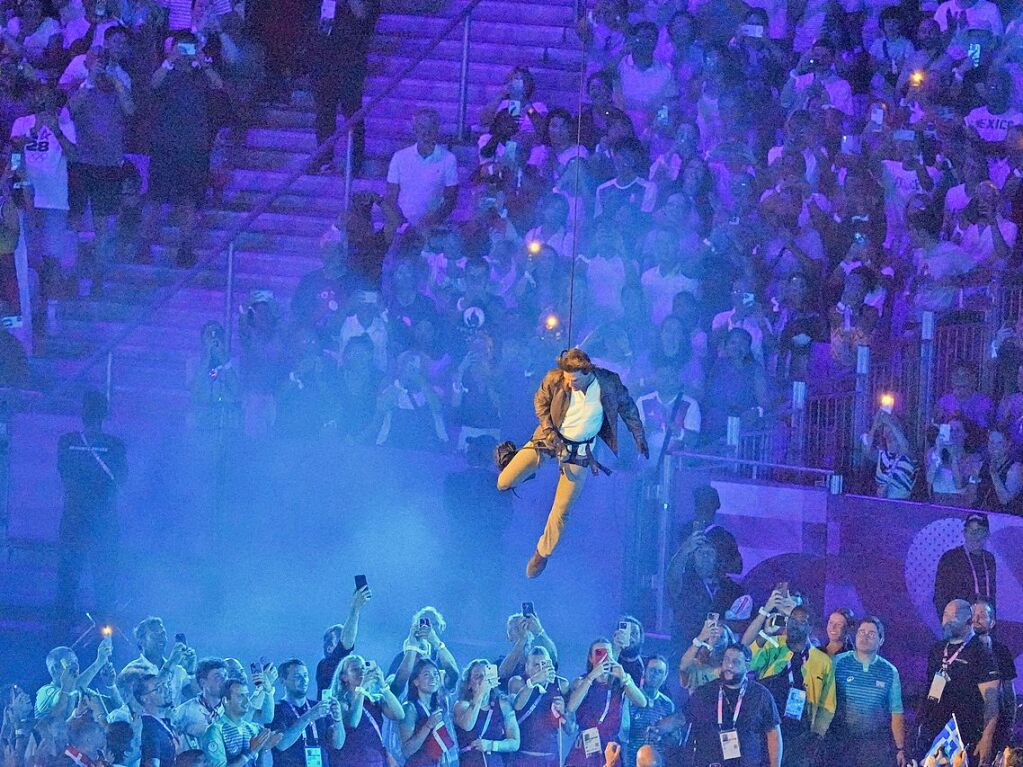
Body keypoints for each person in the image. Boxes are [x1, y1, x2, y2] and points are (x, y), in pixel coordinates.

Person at [495, 348, 648, 578]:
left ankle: (541, 553)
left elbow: (628, 409)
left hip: (579, 452)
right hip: (549, 439)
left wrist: (638, 436)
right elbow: (540, 402)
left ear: (587, 373)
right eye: (567, 378)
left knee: (562, 508)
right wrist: (550, 433)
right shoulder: (556, 378)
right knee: (503, 482)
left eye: (574, 379)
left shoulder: (607, 384)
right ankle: (522, 465)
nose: (570, 383)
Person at [141, 31, 224, 267]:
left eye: (189, 48)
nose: (185, 53)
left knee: (189, 200)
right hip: (165, 147)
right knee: (155, 198)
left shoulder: (202, 74)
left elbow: (219, 85)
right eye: (181, 48)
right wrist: (170, 60)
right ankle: (144, 244)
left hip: (195, 148)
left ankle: (185, 248)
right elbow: (153, 84)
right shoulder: (166, 73)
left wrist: (202, 59)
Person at [55, 389, 126, 624]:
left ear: (82, 413)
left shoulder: (67, 442)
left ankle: (59, 639)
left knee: (67, 582)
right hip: (104, 524)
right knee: (105, 584)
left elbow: (65, 476)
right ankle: (105, 637)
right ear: (104, 414)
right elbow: (120, 481)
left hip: (73, 521)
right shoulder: (115, 446)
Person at [746, 603, 836, 767]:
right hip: (767, 727)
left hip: (799, 732)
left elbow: (827, 705)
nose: (793, 625)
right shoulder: (774, 645)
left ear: (810, 628)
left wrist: (817, 736)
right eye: (792, 620)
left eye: (800, 621)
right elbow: (748, 663)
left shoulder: (822, 661)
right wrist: (765, 634)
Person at [915, 599, 1000, 766]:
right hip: (934, 732)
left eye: (951, 617)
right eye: (945, 615)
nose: (945, 621)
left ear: (968, 619)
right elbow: (930, 691)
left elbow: (991, 701)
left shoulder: (981, 651)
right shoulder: (937, 649)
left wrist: (986, 738)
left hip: (966, 733)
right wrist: (919, 727)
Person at [826, 617, 906, 767]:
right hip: (841, 742)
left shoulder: (889, 671)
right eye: (861, 632)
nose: (864, 636)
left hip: (874, 745)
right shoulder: (837, 662)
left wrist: (900, 748)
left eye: (871, 634)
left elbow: (896, 712)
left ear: (881, 640)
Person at [686, 643, 782, 767]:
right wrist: (661, 727)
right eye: (726, 660)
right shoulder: (706, 691)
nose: (729, 666)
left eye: (735, 662)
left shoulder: (760, 695)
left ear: (747, 665)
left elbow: (773, 733)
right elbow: (684, 717)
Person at [565, 639, 647, 767]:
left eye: (607, 653)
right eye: (599, 653)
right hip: (586, 745)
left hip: (609, 745)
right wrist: (592, 677)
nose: (604, 657)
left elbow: (642, 702)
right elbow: (571, 707)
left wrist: (624, 677)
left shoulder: (619, 682)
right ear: (591, 658)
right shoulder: (581, 681)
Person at [384, 109, 458, 233]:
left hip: (433, 228)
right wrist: (403, 224)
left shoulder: (449, 159)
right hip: (401, 227)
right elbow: (391, 197)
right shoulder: (399, 157)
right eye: (422, 127)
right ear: (414, 129)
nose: (426, 132)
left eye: (431, 127)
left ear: (437, 130)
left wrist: (429, 222)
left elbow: (450, 200)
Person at [329, 655, 404, 767]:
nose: (361, 672)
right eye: (355, 669)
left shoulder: (373, 700)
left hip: (375, 760)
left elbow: (399, 714)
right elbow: (352, 722)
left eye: (363, 668)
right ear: (344, 677)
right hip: (352, 760)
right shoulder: (340, 702)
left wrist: (383, 685)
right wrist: (361, 690)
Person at [270, 659, 343, 767]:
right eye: (297, 676)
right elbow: (281, 744)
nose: (304, 680)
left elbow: (338, 744)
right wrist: (309, 717)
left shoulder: (318, 706)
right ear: (282, 680)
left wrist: (338, 720)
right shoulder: (276, 710)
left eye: (305, 675)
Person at [507, 646, 569, 767]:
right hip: (523, 756)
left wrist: (564, 711)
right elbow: (517, 706)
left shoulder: (560, 684)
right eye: (535, 665)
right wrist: (534, 681)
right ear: (526, 666)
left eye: (543, 664)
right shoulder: (517, 682)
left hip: (550, 757)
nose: (540, 668)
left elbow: (571, 728)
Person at [972, 599, 1018, 756]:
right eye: (972, 614)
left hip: (995, 726)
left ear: (992, 623)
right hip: (966, 724)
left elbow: (1009, 694)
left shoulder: (1001, 651)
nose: (976, 618)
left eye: (982, 615)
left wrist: (1008, 728)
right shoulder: (957, 650)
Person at [453, 659, 520, 765]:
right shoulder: (461, 705)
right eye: (477, 676)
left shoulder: (503, 705)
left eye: (486, 676)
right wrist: (480, 694)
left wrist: (491, 745)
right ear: (469, 683)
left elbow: (515, 742)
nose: (482, 680)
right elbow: (467, 725)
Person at [201, 679, 281, 767]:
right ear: (226, 700)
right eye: (241, 696)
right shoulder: (215, 731)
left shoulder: (253, 728)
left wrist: (263, 749)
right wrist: (250, 752)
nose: (247, 701)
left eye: (247, 695)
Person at [932, 513, 997, 620]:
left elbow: (992, 595)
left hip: (984, 625)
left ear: (987, 534)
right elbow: (940, 596)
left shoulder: (990, 559)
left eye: (979, 530)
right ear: (964, 533)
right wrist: (950, 625)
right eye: (970, 530)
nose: (974, 535)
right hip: (960, 625)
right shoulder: (951, 558)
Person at [315, 584, 372, 695]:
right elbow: (346, 643)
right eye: (340, 640)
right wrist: (355, 608)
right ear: (330, 648)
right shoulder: (325, 666)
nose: (350, 643)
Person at [398, 658, 456, 767]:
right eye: (426, 675)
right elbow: (407, 750)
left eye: (435, 673)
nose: (433, 678)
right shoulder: (410, 708)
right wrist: (428, 725)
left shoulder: (439, 706)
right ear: (416, 681)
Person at [621, 657, 675, 767]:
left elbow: (672, 738)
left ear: (665, 677)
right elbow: (623, 735)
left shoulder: (668, 704)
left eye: (660, 672)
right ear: (644, 672)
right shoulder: (631, 697)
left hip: (657, 761)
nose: (655, 674)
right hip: (633, 760)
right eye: (652, 670)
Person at [173, 658, 229, 750]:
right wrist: (185, 732)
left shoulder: (232, 710)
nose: (224, 680)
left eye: (225, 675)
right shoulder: (184, 712)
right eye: (217, 677)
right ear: (203, 682)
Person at [135, 674, 181, 767]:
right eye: (159, 689)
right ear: (145, 699)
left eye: (165, 685)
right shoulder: (148, 728)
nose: (166, 690)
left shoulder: (162, 723)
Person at [974, 429, 1023, 514]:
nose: (994, 446)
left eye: (999, 443)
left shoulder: (1015, 468)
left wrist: (994, 473)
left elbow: (1005, 500)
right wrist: (973, 478)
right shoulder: (981, 465)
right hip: (982, 516)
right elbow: (972, 496)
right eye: (991, 442)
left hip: (1007, 518)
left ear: (1008, 445)